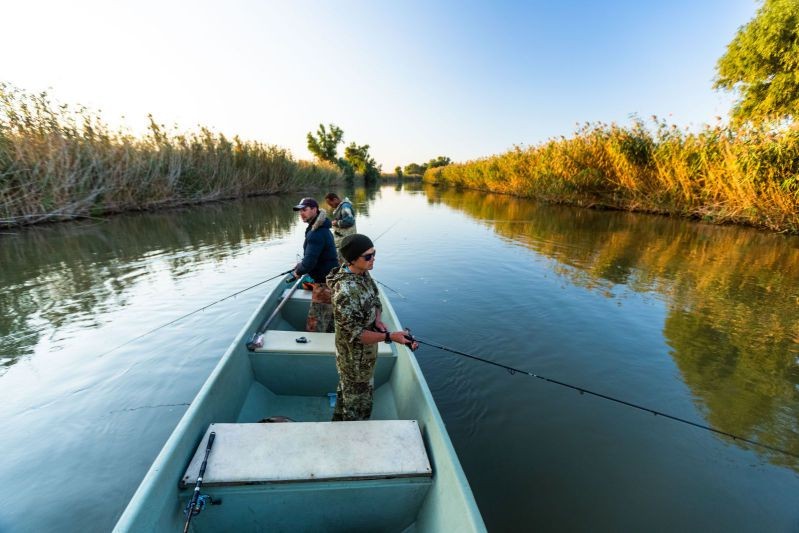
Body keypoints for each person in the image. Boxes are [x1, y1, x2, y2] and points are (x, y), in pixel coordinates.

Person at [326, 233, 418, 421]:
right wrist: (390, 336)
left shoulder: (363, 273)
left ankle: (338, 423)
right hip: (354, 362)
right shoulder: (344, 294)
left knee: (349, 395)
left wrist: (377, 320)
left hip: (366, 358)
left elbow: (375, 298)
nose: (373, 259)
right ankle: (352, 441)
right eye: (368, 256)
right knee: (357, 409)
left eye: (374, 253)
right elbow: (357, 334)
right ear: (352, 259)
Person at [292, 197, 338, 332]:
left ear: (314, 210)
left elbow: (309, 263)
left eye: (304, 210)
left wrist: (298, 271)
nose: (301, 213)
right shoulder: (320, 228)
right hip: (331, 281)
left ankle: (312, 347)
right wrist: (301, 264)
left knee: (315, 325)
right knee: (330, 321)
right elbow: (313, 257)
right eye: (300, 211)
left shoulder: (316, 233)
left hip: (324, 285)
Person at [324, 192, 357, 263]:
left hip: (346, 239)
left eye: (330, 204)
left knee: (344, 258)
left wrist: (336, 223)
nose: (330, 206)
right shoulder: (341, 207)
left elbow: (349, 221)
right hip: (343, 239)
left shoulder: (345, 207)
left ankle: (345, 271)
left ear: (335, 199)